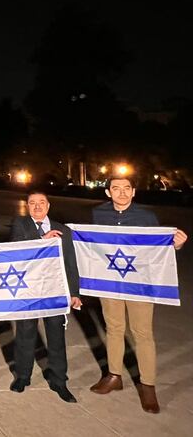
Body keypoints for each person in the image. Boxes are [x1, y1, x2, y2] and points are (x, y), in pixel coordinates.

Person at [88, 176, 187, 414]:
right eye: (116, 188)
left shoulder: (147, 217)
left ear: (133, 192)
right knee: (113, 328)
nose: (121, 193)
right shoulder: (98, 215)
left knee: (142, 332)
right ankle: (114, 375)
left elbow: (158, 249)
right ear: (108, 193)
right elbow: (92, 246)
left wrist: (177, 245)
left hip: (139, 283)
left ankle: (148, 385)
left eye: (126, 188)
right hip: (109, 282)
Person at [9, 190, 80, 403]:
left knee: (56, 335)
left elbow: (70, 262)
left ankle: (59, 379)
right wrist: (42, 239)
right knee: (25, 333)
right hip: (29, 289)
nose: (37, 207)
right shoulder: (20, 225)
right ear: (27, 206)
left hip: (55, 290)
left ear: (48, 206)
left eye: (41, 203)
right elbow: (17, 250)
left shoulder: (63, 230)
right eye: (32, 203)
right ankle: (23, 375)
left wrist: (74, 292)